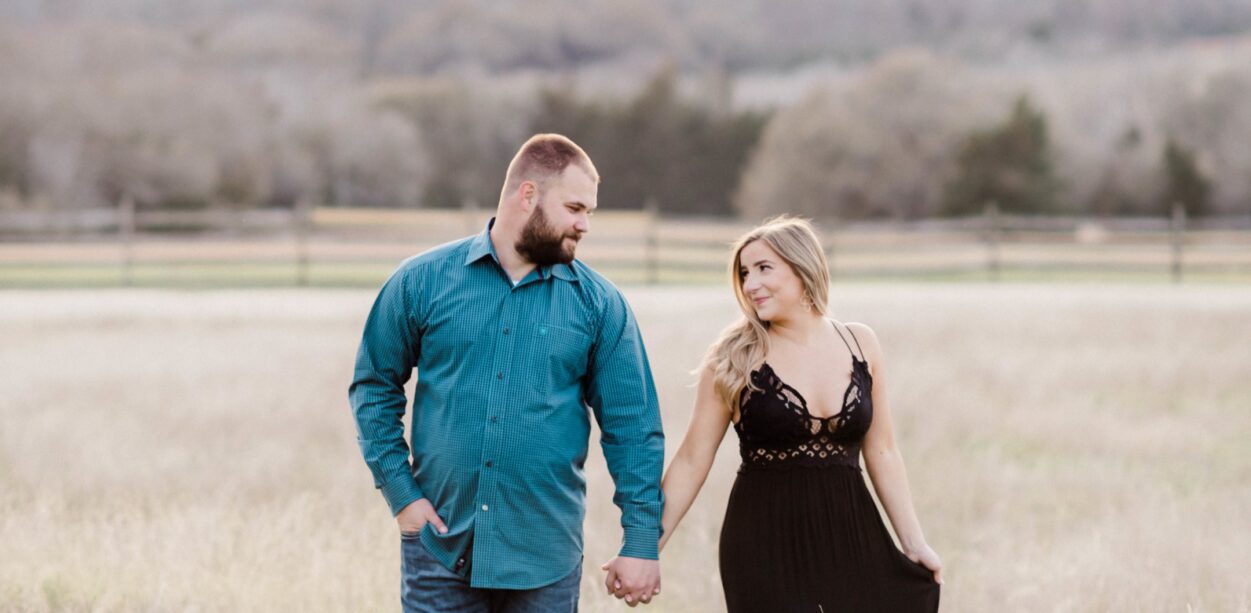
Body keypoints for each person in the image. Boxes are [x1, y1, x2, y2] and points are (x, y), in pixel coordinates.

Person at [349, 133, 664, 612]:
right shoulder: (421, 281)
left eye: (590, 213)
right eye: (575, 208)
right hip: (439, 548)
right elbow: (374, 387)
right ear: (528, 195)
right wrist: (401, 494)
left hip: (546, 560)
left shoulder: (600, 305)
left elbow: (634, 428)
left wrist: (640, 541)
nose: (584, 224)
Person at [656, 216, 942, 612]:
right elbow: (691, 459)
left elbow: (884, 452)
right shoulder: (734, 358)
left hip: (852, 534)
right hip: (763, 543)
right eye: (744, 273)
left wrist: (914, 542)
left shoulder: (860, 342)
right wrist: (645, 547)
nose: (750, 284)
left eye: (763, 268)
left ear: (802, 267)